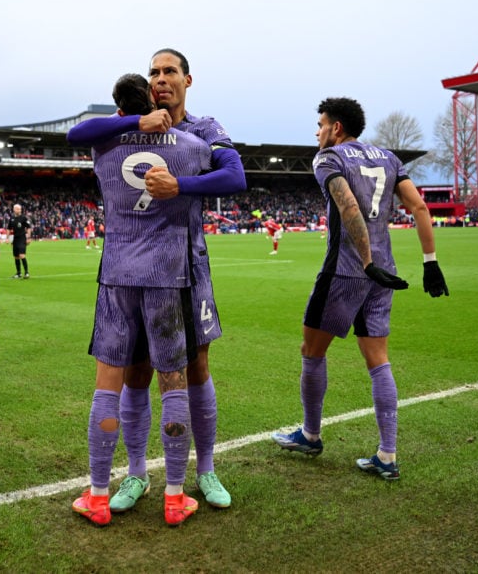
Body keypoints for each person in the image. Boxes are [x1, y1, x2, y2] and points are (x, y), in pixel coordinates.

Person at [67, 49, 246, 512]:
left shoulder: (204, 130)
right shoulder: (131, 129)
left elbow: (235, 175)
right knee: (137, 373)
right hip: (150, 274)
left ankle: (204, 469)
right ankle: (138, 476)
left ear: (188, 79)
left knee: (196, 368)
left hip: (189, 270)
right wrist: (137, 123)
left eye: (170, 71)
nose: (162, 78)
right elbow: (80, 132)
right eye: (154, 73)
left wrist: (180, 187)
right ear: (147, 88)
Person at [271, 97, 449, 481]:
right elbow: (420, 207)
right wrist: (430, 262)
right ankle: (387, 454)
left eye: (320, 124)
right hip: (385, 271)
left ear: (336, 128)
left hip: (347, 270)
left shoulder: (329, 158)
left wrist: (364, 260)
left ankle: (310, 434)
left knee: (312, 350)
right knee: (378, 358)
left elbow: (348, 206)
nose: (317, 131)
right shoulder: (389, 157)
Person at [8, 203, 31, 278]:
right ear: (14, 209)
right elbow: (8, 229)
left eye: (20, 209)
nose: (19, 210)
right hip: (15, 239)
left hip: (22, 238)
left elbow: (29, 227)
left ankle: (26, 272)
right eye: (17, 209)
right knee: (16, 256)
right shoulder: (12, 219)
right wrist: (7, 238)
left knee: (22, 255)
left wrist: (28, 237)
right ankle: (18, 273)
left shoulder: (24, 218)